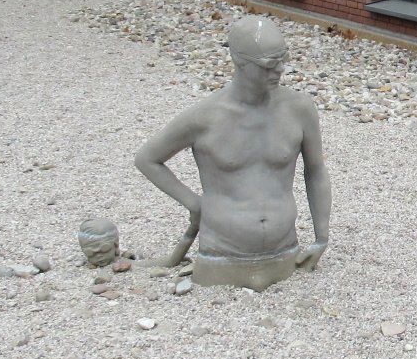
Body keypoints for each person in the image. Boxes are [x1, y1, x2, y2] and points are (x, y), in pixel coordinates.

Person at [135, 16, 330, 291]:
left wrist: (321, 237)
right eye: (268, 64)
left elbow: (316, 170)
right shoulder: (205, 117)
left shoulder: (299, 108)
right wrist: (193, 203)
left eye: (283, 60)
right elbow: (147, 159)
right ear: (238, 60)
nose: (280, 70)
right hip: (221, 257)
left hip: (285, 252)